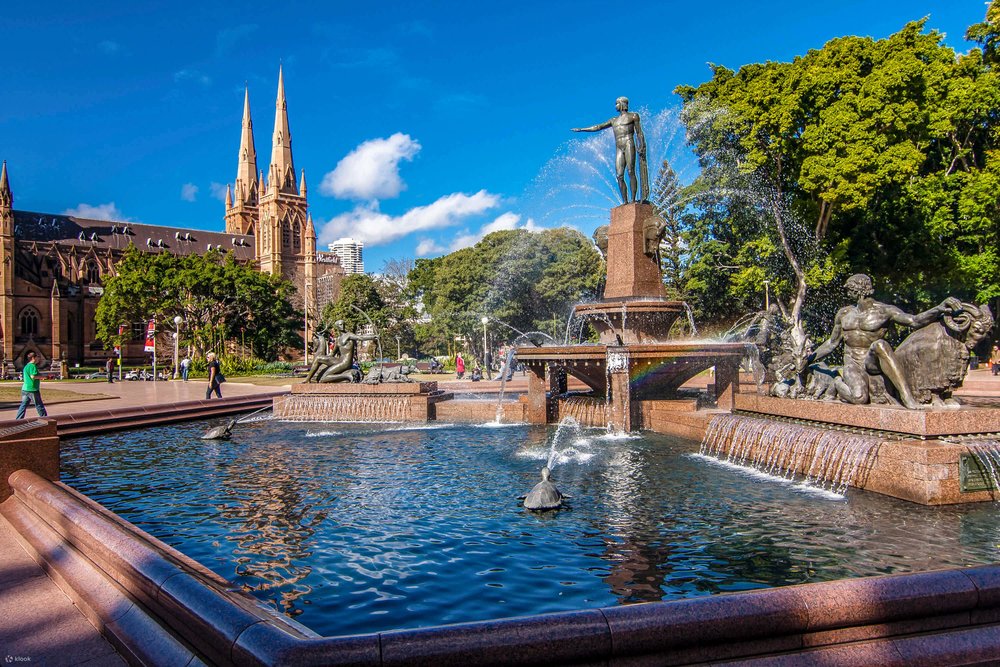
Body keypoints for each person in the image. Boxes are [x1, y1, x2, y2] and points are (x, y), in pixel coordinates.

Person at [806, 274, 961, 409]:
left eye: (849, 289)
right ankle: (838, 382)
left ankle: (906, 396)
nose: (846, 293)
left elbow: (914, 321)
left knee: (880, 344)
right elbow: (832, 343)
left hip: (872, 362)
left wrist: (938, 309)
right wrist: (808, 359)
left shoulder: (885, 311)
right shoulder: (844, 313)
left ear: (857, 290)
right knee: (859, 398)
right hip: (852, 363)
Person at [572, 97, 648, 202]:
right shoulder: (613, 120)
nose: (615, 106)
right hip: (619, 147)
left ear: (622, 104)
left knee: (630, 171)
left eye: (617, 104)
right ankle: (625, 202)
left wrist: (642, 145)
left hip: (629, 143)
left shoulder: (633, 116)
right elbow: (598, 127)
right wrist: (582, 129)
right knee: (619, 175)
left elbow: (639, 132)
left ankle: (633, 200)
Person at [16, 351, 48, 419]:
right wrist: (43, 377)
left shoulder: (26, 366)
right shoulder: (33, 366)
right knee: (39, 405)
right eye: (37, 357)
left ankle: (18, 419)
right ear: (33, 358)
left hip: (25, 389)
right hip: (32, 389)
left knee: (23, 405)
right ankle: (46, 419)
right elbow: (33, 376)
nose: (39, 359)